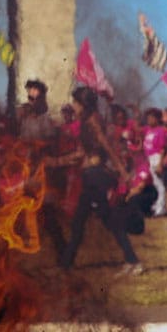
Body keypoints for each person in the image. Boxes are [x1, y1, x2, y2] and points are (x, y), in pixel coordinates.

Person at [59, 86, 141, 277]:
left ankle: (132, 260)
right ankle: (66, 263)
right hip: (90, 176)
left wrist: (122, 171)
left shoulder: (93, 121)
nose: (73, 106)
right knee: (86, 221)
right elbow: (85, 151)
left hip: (96, 176)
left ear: (83, 104)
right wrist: (62, 160)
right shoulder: (86, 121)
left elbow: (107, 146)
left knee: (101, 220)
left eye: (75, 103)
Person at [142, 108, 167, 216]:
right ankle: (155, 204)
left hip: (157, 157)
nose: (149, 120)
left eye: (151, 118)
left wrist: (160, 163)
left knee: (159, 183)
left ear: (157, 119)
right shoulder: (148, 130)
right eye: (148, 118)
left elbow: (163, 148)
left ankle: (161, 207)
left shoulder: (160, 131)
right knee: (153, 183)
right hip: (149, 158)